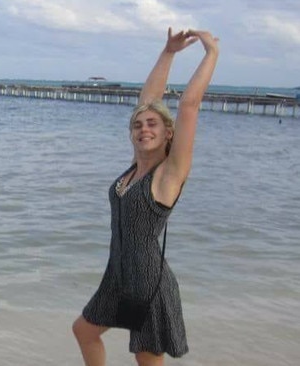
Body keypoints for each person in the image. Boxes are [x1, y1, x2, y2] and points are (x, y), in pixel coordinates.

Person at [72, 28, 219, 366]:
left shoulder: (168, 174)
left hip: (149, 285)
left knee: (145, 360)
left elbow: (190, 106)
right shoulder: (133, 169)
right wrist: (168, 52)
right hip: (119, 276)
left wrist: (210, 53)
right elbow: (147, 100)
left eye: (153, 124)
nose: (144, 129)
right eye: (138, 125)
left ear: (168, 132)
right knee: (84, 331)